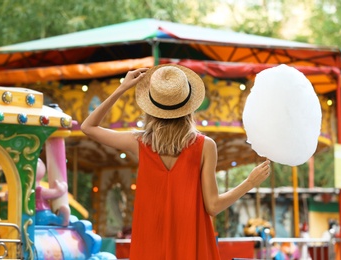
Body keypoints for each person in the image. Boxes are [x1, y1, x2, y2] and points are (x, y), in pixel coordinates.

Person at [81, 64, 271, 259]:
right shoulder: (205, 146)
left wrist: (122, 88)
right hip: (190, 242)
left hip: (150, 244)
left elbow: (88, 127)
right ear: (189, 106)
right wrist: (249, 183)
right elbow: (212, 206)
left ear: (151, 107)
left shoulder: (139, 142)